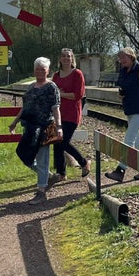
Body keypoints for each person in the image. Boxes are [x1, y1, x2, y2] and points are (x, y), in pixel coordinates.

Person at [9, 57, 62, 203]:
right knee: (24, 154)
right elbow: (25, 108)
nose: (39, 72)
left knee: (42, 159)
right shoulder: (31, 86)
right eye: (37, 69)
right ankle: (49, 177)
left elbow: (56, 108)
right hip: (30, 127)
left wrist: (59, 127)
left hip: (44, 127)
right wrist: (15, 122)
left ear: (48, 71)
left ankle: (41, 192)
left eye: (42, 69)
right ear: (34, 71)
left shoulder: (52, 87)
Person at [105, 47, 139, 182]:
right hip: (130, 109)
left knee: (128, 140)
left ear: (131, 57)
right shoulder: (124, 71)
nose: (122, 61)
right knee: (138, 141)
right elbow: (123, 88)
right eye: (120, 58)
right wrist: (121, 94)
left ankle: (120, 170)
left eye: (124, 58)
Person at [52, 48, 90, 182]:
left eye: (68, 56)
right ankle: (61, 173)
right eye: (63, 56)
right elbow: (52, 92)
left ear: (72, 59)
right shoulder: (56, 75)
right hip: (58, 114)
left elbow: (78, 95)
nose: (66, 58)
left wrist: (61, 94)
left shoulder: (77, 74)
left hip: (72, 113)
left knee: (63, 141)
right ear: (60, 59)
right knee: (56, 142)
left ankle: (84, 162)